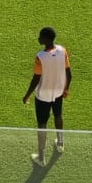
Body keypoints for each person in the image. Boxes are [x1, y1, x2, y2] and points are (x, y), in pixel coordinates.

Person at [21, 26, 71, 163]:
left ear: (46, 39)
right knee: (58, 115)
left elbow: (36, 79)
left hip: (43, 95)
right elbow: (69, 73)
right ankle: (60, 143)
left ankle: (41, 157)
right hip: (58, 92)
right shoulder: (62, 51)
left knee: (42, 123)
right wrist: (66, 88)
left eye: (40, 36)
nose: (38, 38)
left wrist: (27, 96)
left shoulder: (40, 57)